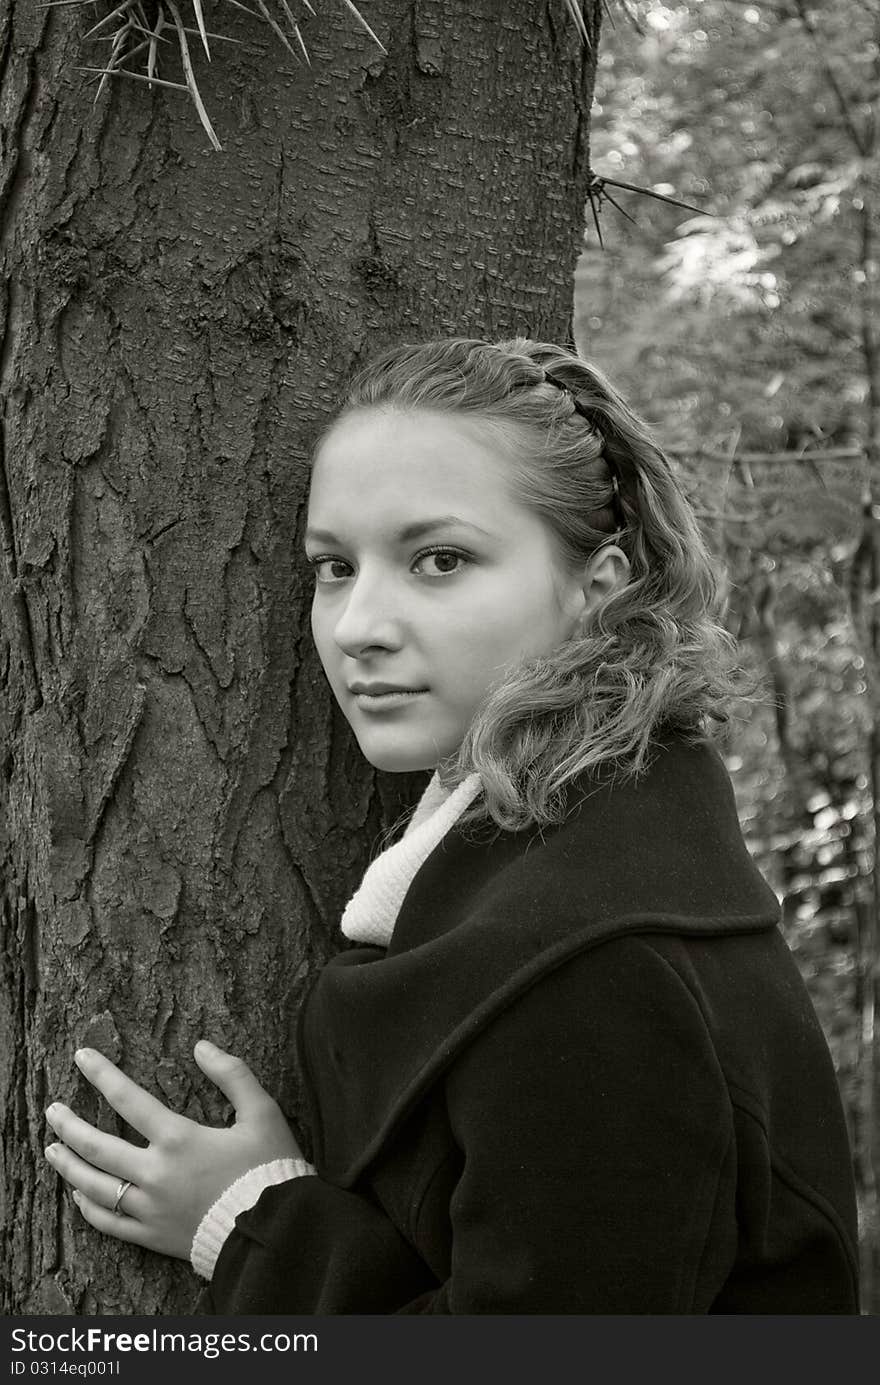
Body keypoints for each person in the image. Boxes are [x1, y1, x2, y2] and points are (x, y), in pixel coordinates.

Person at [43, 337, 859, 1313]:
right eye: (335, 566)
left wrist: (257, 1223)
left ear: (595, 590)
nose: (357, 626)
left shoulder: (597, 961)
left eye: (439, 559)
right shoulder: (580, 846)